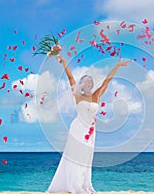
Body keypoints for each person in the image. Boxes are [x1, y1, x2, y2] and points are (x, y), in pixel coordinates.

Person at [47, 55, 130, 194]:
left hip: (91, 130)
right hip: (78, 128)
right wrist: (64, 62)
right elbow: (70, 78)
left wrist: (117, 66)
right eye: (85, 82)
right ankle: (75, 186)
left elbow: (106, 82)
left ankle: (84, 184)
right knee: (77, 155)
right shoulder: (78, 96)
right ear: (81, 85)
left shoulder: (97, 95)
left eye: (90, 82)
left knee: (86, 157)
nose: (88, 84)